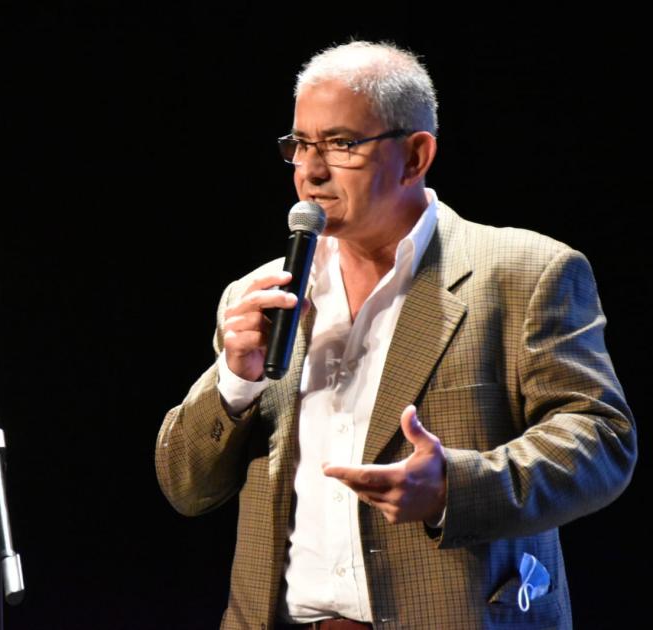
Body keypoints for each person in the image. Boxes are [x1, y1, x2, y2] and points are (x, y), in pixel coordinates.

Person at [155, 41, 636, 630]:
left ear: (415, 155)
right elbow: (185, 487)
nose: (311, 170)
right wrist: (234, 381)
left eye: (341, 144)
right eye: (301, 145)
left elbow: (602, 441)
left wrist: (453, 487)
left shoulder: (525, 273)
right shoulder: (259, 297)